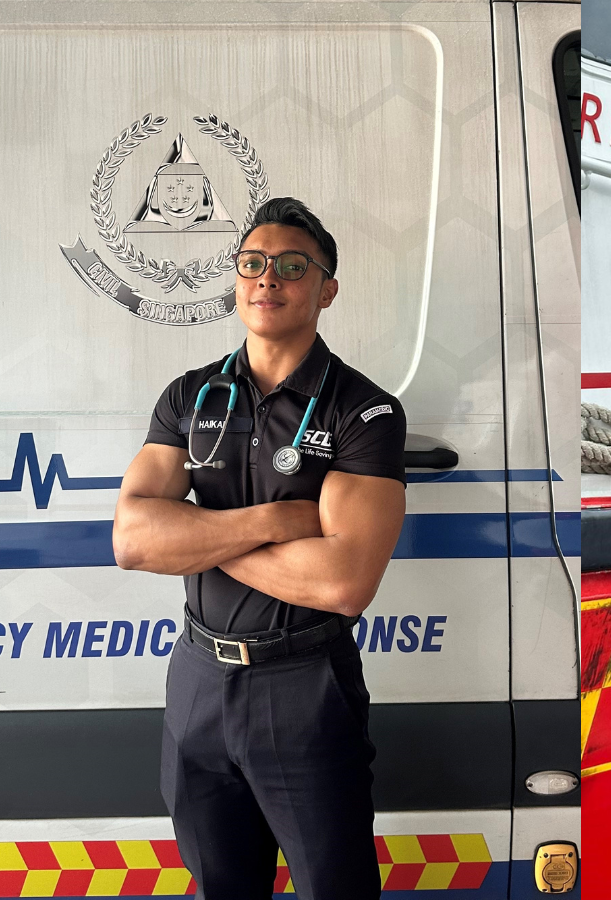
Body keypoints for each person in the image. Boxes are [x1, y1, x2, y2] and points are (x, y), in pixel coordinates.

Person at [112, 197, 407, 899]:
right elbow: (131, 540)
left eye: (291, 266)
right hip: (197, 681)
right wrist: (278, 521)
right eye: (252, 263)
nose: (267, 278)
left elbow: (342, 584)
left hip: (303, 683)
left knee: (332, 886)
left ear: (325, 288)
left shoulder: (363, 411)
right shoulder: (189, 396)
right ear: (237, 278)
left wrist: (192, 532)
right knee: (222, 885)